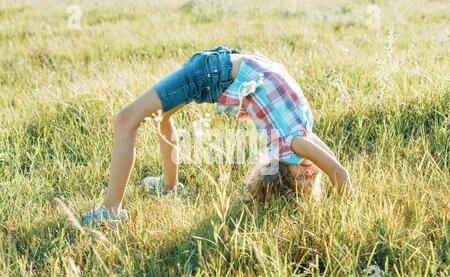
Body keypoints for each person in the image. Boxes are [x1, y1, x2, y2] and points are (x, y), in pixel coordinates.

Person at [81, 46, 354, 225]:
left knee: (125, 120)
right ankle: (165, 188)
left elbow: (334, 170)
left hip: (214, 72)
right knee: (153, 117)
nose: (310, 172)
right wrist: (345, 218)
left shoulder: (295, 143)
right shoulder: (299, 140)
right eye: (311, 176)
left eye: (302, 177)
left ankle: (111, 211)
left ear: (285, 164)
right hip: (216, 69)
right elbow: (340, 174)